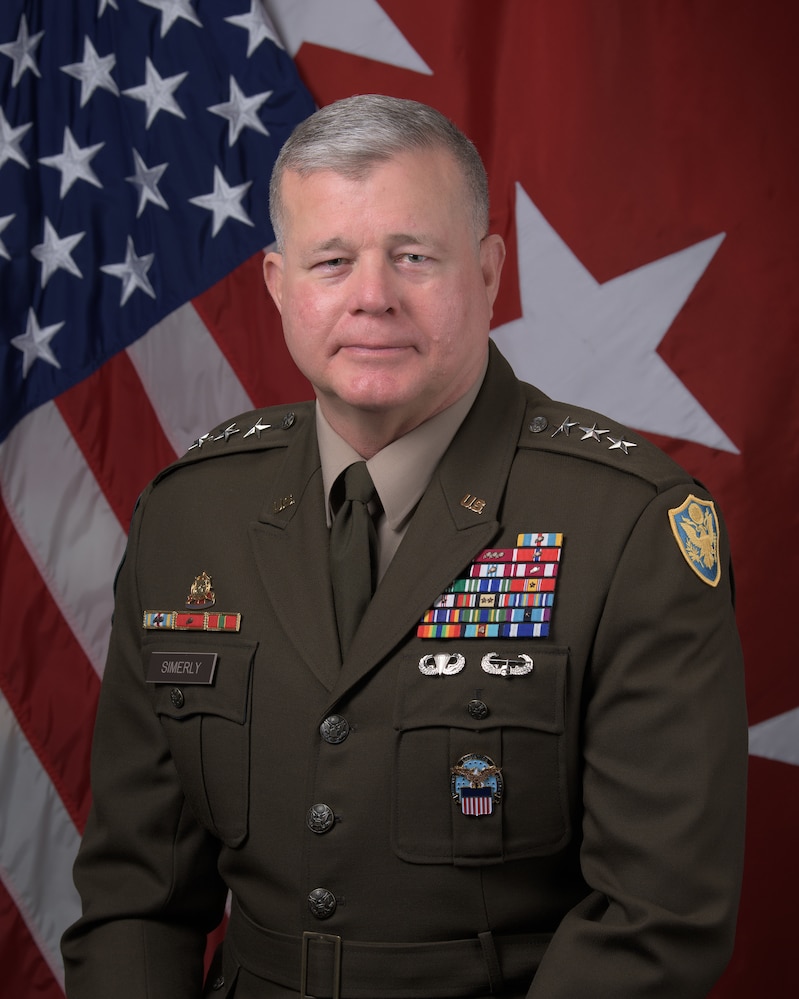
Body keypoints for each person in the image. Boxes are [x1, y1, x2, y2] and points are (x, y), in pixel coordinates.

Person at [62, 94, 748, 999]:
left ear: (490, 270)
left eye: (414, 256)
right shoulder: (193, 514)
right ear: (277, 284)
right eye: (332, 260)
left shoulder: (628, 526)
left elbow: (654, 920)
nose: (372, 296)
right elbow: (133, 898)